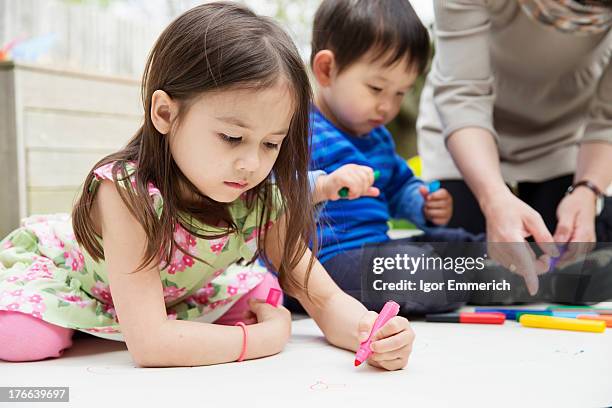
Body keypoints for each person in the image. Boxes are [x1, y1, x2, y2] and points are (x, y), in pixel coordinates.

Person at [0, 2, 413, 371]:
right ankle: (87, 320)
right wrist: (264, 339)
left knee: (261, 293)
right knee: (20, 339)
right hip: (82, 279)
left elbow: (323, 298)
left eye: (271, 143)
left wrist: (369, 331)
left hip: (168, 297)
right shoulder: (126, 192)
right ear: (165, 113)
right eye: (232, 138)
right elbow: (151, 345)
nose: (252, 164)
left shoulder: (261, 198)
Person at [288, 0, 484, 316]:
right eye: (376, 88)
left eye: (400, 93)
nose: (387, 107)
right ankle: (483, 277)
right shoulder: (296, 130)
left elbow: (398, 186)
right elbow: (268, 194)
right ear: (326, 70)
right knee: (415, 269)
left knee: (457, 240)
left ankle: (513, 266)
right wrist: (323, 185)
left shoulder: (377, 136)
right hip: (324, 262)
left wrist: (422, 204)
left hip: (376, 251)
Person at [417, 0, 612, 293]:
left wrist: (587, 190)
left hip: (561, 137)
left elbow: (607, 117)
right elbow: (462, 94)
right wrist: (493, 197)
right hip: (462, 132)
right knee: (470, 273)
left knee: (564, 271)